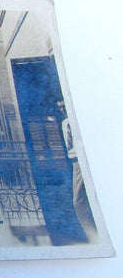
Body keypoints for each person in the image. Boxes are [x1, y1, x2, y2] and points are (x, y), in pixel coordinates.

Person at [58, 101, 97, 242]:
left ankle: (94, 234)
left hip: (84, 160)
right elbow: (68, 145)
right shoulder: (65, 123)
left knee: (82, 199)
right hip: (76, 162)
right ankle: (92, 233)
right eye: (60, 108)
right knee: (79, 200)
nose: (63, 109)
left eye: (64, 106)